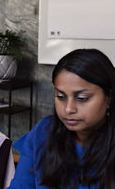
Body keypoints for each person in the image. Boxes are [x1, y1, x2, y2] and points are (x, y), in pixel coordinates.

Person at [8, 49, 115, 189]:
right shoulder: (43, 132)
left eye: (82, 98)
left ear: (109, 98)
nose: (69, 109)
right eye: (61, 97)